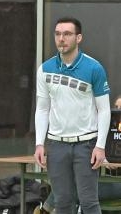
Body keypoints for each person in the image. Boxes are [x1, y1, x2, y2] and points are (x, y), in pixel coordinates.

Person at [34, 17, 110, 214]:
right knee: (63, 204)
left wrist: (100, 146)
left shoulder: (94, 68)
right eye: (58, 34)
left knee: (89, 203)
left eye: (67, 34)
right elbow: (42, 109)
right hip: (56, 145)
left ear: (79, 38)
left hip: (86, 145)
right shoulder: (44, 69)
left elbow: (104, 110)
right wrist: (39, 143)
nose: (61, 39)